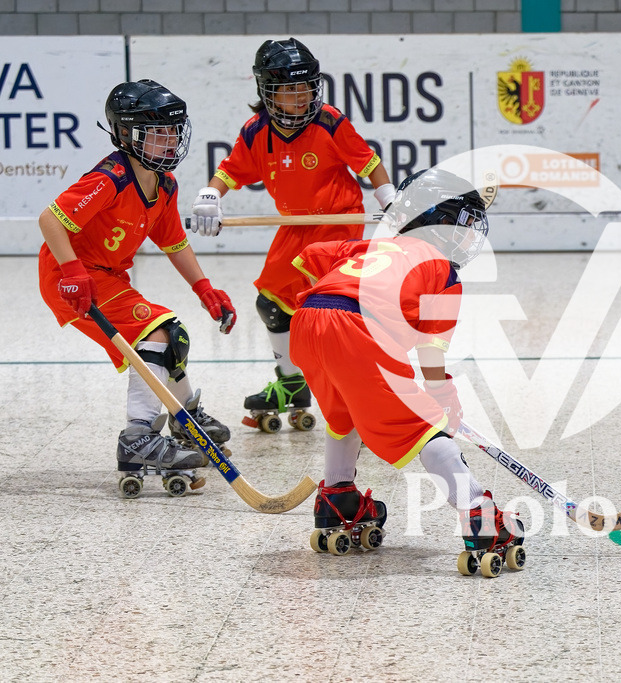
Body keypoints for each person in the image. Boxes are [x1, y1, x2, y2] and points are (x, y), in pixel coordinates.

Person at [292, 168, 524, 575]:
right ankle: (479, 515)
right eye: (463, 225)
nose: (469, 238)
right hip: (358, 331)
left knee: (344, 413)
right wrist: (442, 400)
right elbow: (431, 355)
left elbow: (310, 257)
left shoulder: (366, 247)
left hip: (309, 321)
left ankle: (337, 497)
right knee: (423, 427)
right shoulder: (443, 272)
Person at [188, 37, 396, 432]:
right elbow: (231, 170)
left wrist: (388, 197)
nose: (301, 97)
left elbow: (368, 164)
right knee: (271, 303)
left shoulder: (330, 121)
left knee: (337, 312)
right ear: (268, 92)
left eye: (306, 87)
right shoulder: (255, 132)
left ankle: (367, 393)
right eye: (290, 89)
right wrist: (211, 195)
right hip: (295, 227)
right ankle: (293, 385)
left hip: (339, 225)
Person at [38, 79, 236, 485]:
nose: (169, 142)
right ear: (127, 134)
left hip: (107, 276)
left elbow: (174, 242)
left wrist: (205, 289)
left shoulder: (164, 184)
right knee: (157, 333)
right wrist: (73, 273)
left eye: (173, 132)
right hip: (70, 276)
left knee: (169, 336)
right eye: (157, 133)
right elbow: (51, 220)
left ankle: (184, 419)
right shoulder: (111, 178)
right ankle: (139, 437)